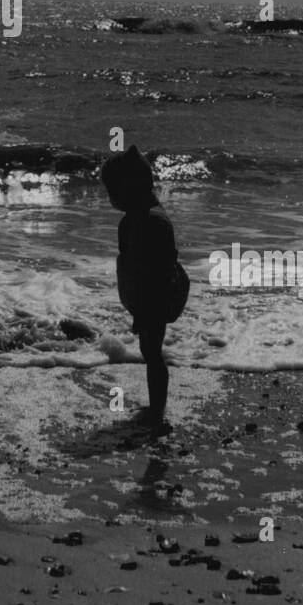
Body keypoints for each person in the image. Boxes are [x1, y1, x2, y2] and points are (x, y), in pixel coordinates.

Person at [101, 144, 180, 433]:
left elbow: (162, 268)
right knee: (150, 350)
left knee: (152, 352)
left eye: (113, 191)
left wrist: (148, 307)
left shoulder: (152, 222)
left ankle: (157, 415)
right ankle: (155, 408)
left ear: (130, 190)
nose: (111, 199)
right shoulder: (134, 220)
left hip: (156, 296)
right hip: (146, 297)